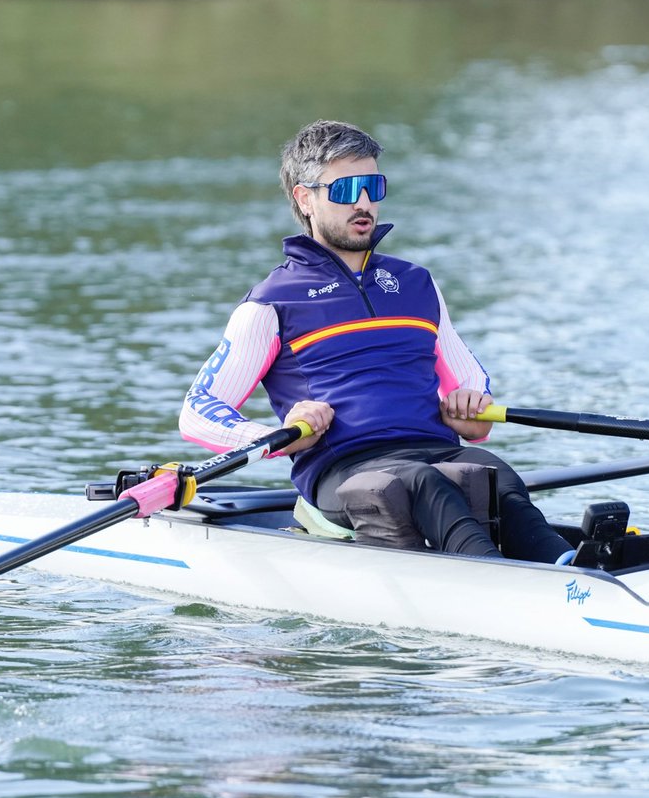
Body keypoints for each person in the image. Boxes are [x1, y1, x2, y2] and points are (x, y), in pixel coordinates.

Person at [179, 119, 572, 563]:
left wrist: (473, 405)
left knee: (493, 474)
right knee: (422, 482)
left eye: (372, 186)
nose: (364, 202)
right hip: (344, 470)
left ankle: (570, 567)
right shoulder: (271, 303)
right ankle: (500, 577)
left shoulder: (416, 284)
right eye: (346, 190)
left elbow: (474, 397)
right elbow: (197, 411)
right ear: (304, 198)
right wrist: (272, 435)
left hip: (435, 448)